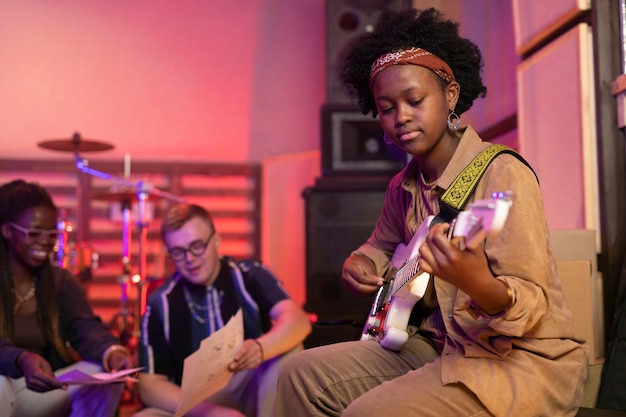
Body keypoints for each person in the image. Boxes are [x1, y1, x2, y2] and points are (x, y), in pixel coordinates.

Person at [276, 7, 588, 417]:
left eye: (414, 100)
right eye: (386, 108)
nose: (400, 117)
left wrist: (478, 283)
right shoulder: (402, 185)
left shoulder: (503, 173)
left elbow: (531, 307)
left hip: (511, 360)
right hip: (434, 346)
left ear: (451, 96)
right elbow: (380, 245)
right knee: (297, 375)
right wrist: (360, 262)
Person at [134, 203, 311, 417]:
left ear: (216, 240)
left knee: (289, 352)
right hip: (193, 404)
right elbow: (149, 386)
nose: (190, 259)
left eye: (197, 245)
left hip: (251, 391)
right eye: (178, 252)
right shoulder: (159, 303)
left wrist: (260, 348)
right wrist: (212, 413)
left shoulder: (249, 275)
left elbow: (297, 321)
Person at [0, 179, 134, 417]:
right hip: (3, 387)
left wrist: (112, 351)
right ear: (7, 231)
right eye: (34, 232)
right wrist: (21, 358)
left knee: (105, 376)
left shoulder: (60, 281)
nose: (45, 241)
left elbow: (86, 327)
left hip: (40, 392)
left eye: (52, 233)